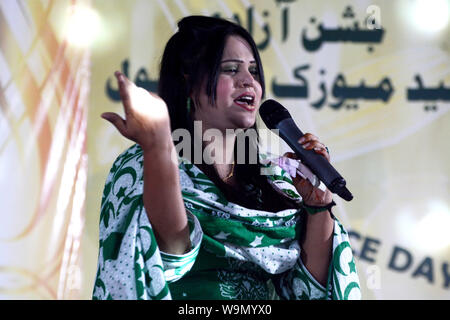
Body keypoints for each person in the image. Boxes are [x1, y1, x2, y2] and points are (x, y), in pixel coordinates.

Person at [92, 15, 360, 300]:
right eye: (231, 69)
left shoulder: (277, 177)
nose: (248, 82)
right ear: (190, 81)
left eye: (254, 72)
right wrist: (158, 147)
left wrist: (318, 206)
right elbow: (168, 254)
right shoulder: (146, 162)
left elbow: (309, 290)